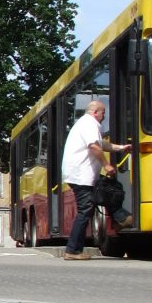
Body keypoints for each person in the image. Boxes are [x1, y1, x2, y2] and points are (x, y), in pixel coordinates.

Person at [61, 100, 131, 261]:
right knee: (86, 209)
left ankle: (120, 218)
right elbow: (94, 147)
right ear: (95, 112)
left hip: (81, 174)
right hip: (81, 174)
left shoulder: (86, 124)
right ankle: (72, 250)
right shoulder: (89, 124)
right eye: (103, 113)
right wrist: (106, 165)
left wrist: (121, 148)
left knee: (108, 192)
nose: (104, 116)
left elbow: (101, 144)